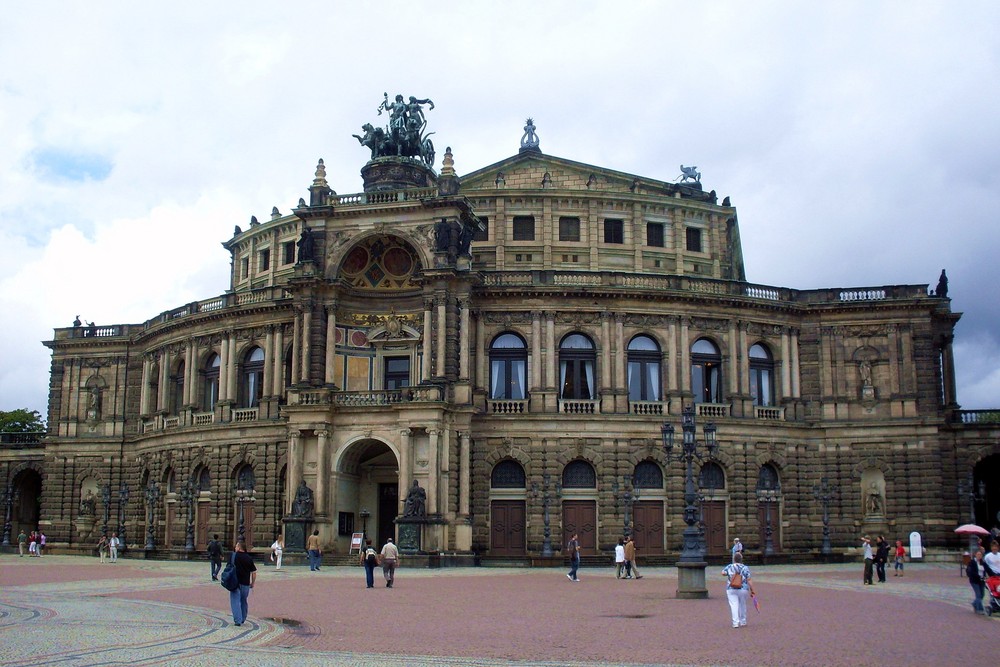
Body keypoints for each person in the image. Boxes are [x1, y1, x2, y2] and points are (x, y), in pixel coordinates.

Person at [722, 552, 755, 628]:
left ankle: (735, 623)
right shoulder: (745, 568)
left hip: (731, 588)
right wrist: (752, 590)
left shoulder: (729, 566)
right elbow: (749, 579)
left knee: (734, 605)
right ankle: (743, 621)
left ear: (734, 559)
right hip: (743, 588)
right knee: (742, 604)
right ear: (741, 559)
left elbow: (723, 573)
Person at [229, 540, 257, 627]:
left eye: (236, 546)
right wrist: (252, 583)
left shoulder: (234, 556)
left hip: (235, 582)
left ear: (239, 547)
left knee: (235, 601)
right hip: (245, 583)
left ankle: (238, 620)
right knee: (243, 600)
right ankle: (243, 618)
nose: (235, 548)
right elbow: (254, 572)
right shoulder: (249, 558)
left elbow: (228, 568)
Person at [966, 548, 987, 615]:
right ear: (975, 555)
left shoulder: (983, 562)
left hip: (981, 581)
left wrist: (994, 575)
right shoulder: (972, 562)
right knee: (978, 595)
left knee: (982, 594)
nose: (979, 556)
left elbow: (988, 569)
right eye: (978, 554)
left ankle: (974, 603)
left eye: (980, 554)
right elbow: (971, 572)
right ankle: (979, 609)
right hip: (974, 581)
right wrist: (978, 576)